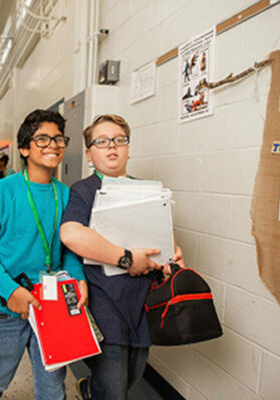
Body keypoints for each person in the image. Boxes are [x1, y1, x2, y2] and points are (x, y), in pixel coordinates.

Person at [59, 115, 184, 399]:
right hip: (105, 301)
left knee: (135, 371)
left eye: (119, 140)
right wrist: (126, 259)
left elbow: (163, 234)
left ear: (128, 147)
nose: (111, 147)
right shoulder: (83, 190)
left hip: (142, 301)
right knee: (114, 387)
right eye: (101, 142)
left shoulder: (147, 189)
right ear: (90, 153)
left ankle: (91, 390)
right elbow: (71, 234)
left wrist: (173, 253)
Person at [0, 109, 88, 400]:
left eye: (59, 139)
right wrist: (10, 290)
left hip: (53, 303)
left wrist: (79, 278)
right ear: (24, 148)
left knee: (52, 384)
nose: (54, 145)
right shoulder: (3, 191)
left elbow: (69, 248)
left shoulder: (67, 194)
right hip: (7, 304)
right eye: (43, 139)